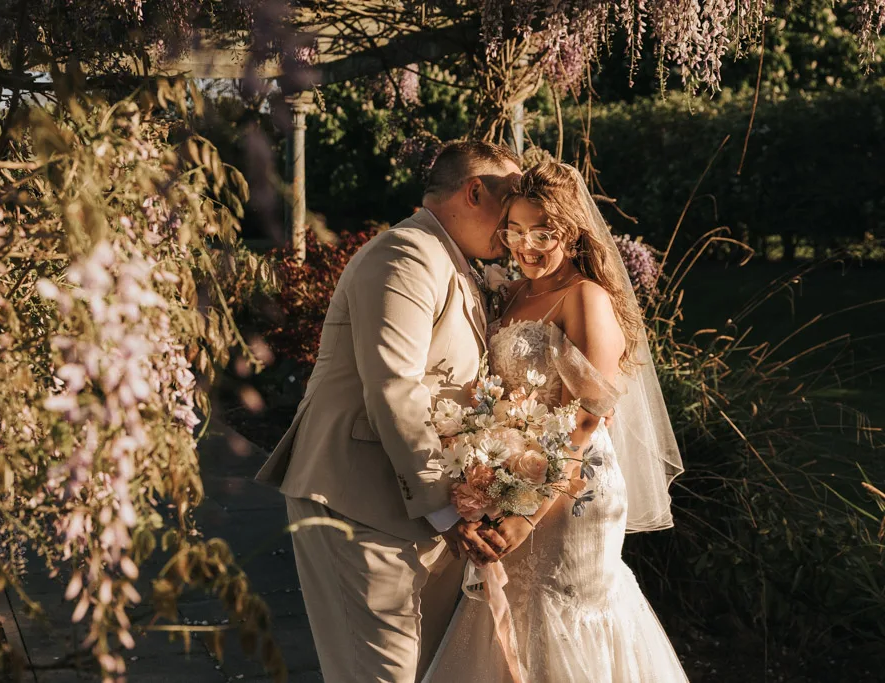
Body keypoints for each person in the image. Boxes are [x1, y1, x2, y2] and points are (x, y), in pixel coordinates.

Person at [256, 141, 522, 683]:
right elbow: (394, 389)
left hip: (419, 509)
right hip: (357, 502)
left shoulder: (455, 263)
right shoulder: (405, 255)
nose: (515, 224)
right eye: (510, 202)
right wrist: (448, 513)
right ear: (475, 191)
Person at [421, 156, 688, 683]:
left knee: (558, 616)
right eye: (515, 230)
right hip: (516, 475)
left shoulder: (585, 297)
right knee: (509, 619)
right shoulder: (515, 291)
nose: (525, 245)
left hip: (571, 492)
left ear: (571, 231)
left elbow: (588, 418)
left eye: (542, 232)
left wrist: (525, 512)